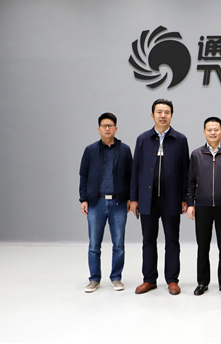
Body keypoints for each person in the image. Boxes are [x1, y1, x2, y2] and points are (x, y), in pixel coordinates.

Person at [130, 99, 189, 296]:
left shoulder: (180, 140)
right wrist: (134, 199)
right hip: (147, 199)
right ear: (152, 115)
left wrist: (185, 198)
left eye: (167, 112)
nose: (163, 115)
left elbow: (185, 171)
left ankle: (172, 280)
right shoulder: (143, 139)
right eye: (159, 112)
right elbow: (136, 170)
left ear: (171, 115)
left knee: (172, 239)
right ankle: (149, 279)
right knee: (148, 239)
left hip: (171, 198)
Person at [186, 117, 221, 297]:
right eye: (209, 130)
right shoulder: (196, 154)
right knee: (203, 246)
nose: (213, 132)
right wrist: (191, 204)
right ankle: (202, 282)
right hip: (202, 206)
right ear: (204, 132)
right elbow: (190, 181)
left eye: (216, 129)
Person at [79, 113, 133, 293]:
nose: (107, 128)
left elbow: (131, 176)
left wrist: (130, 199)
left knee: (119, 244)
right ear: (99, 129)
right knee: (94, 244)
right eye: (104, 126)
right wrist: (83, 199)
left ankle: (116, 278)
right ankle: (94, 279)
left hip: (118, 203)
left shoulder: (124, 150)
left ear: (116, 129)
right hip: (96, 203)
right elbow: (84, 175)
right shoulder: (90, 150)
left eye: (110, 126)